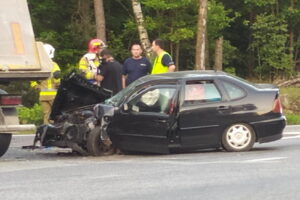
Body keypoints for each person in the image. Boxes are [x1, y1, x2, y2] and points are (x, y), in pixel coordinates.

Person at [31, 43, 61, 124]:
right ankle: (54, 132)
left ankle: (46, 131)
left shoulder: (39, 66)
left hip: (43, 96)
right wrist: (57, 79)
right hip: (53, 96)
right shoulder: (54, 65)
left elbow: (32, 79)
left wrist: (37, 86)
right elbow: (57, 82)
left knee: (46, 115)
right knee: (55, 115)